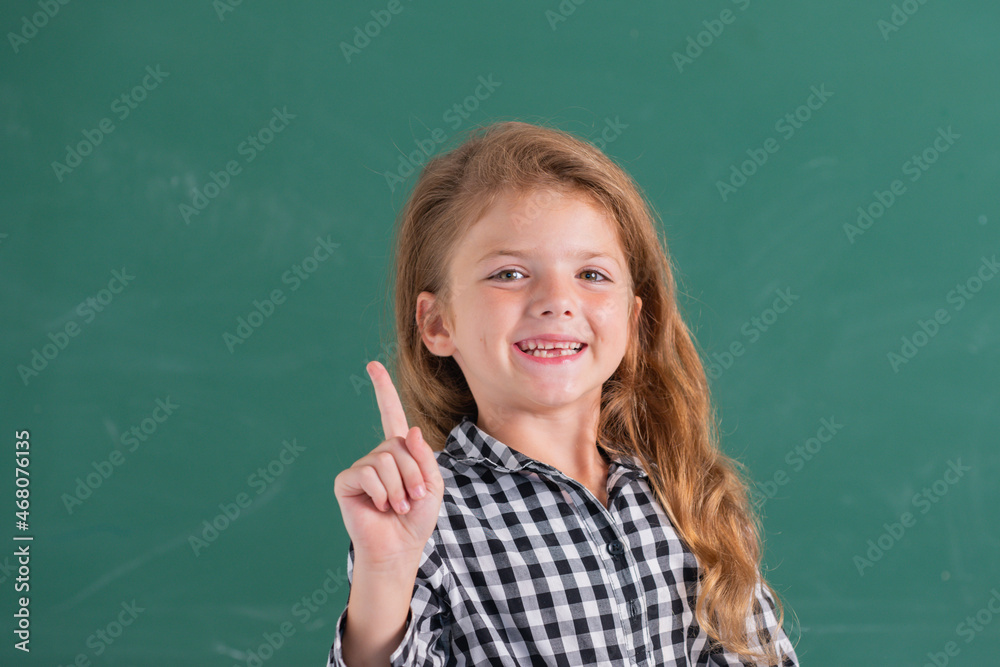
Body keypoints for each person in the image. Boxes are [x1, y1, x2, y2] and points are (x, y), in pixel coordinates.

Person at [327, 120, 800, 666]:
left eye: (592, 275)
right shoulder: (422, 517)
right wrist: (384, 574)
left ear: (633, 321)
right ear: (437, 324)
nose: (557, 300)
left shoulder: (688, 494)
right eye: (508, 273)